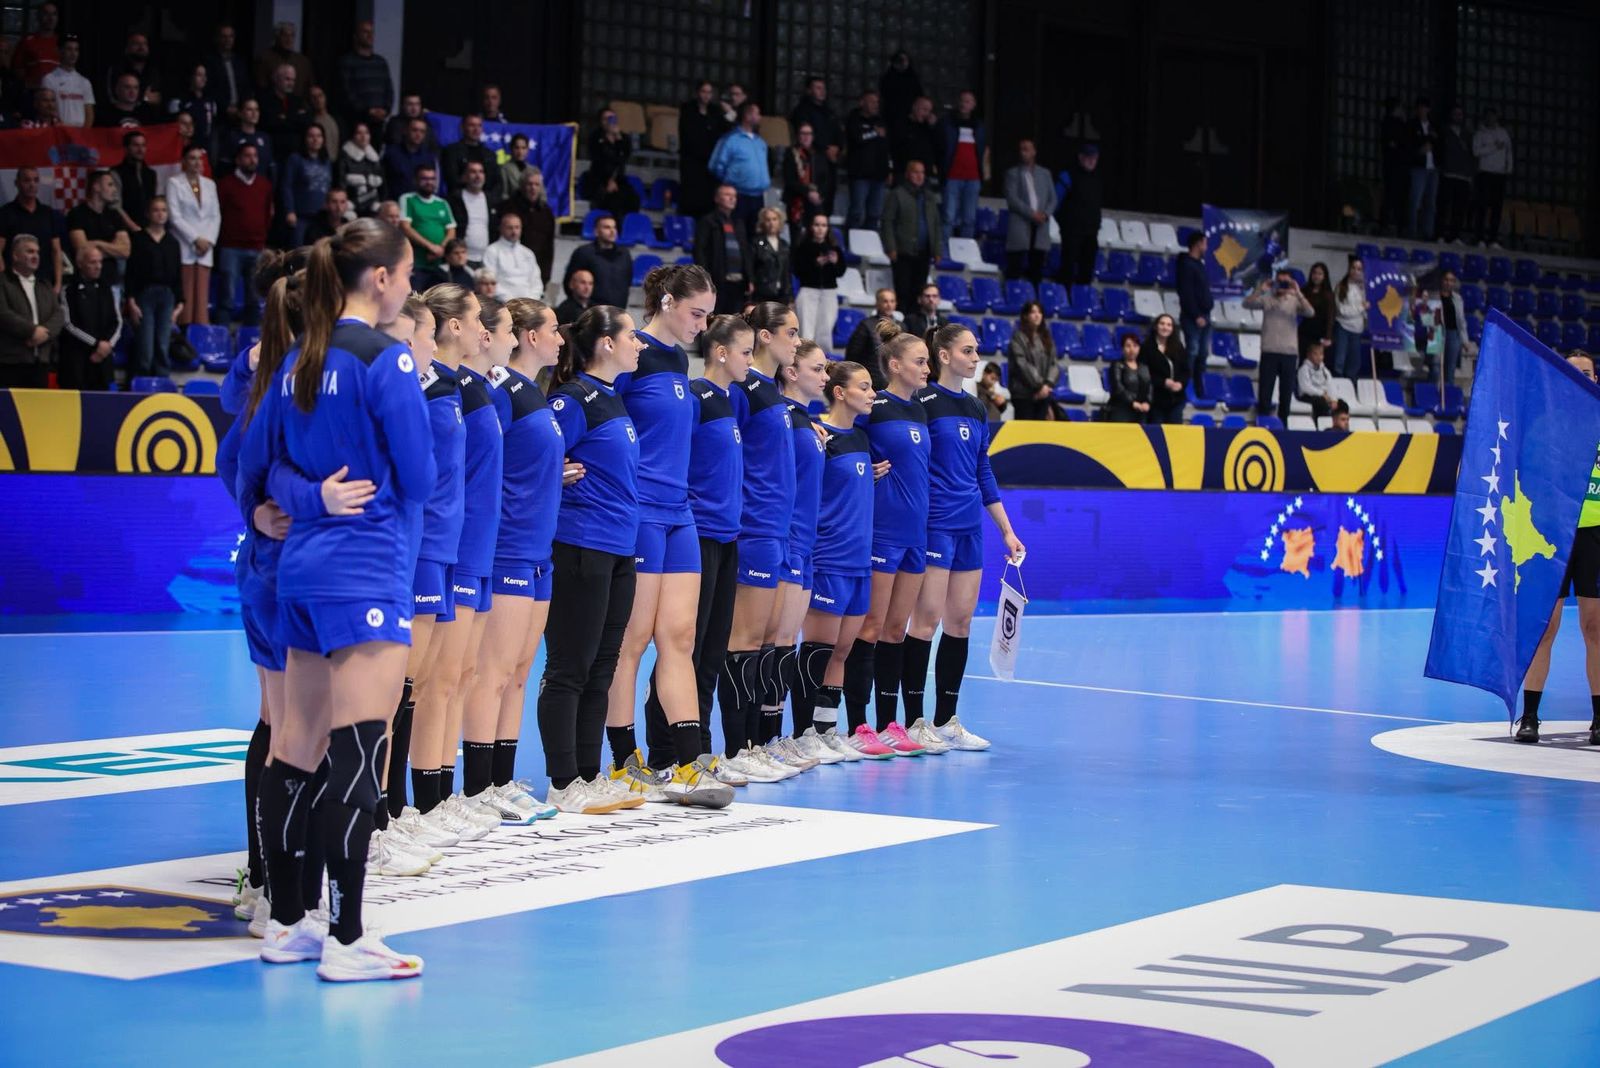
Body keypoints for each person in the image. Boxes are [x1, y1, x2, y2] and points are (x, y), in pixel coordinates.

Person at [238, 217, 431, 981]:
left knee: (295, 745)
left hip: (301, 573)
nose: (409, 287)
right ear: (379, 278)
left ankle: (287, 922)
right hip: (368, 570)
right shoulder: (387, 359)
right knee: (358, 751)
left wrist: (306, 498)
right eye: (407, 273)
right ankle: (347, 939)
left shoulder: (295, 361)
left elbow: (260, 470)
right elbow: (419, 476)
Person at [607, 266, 735, 804]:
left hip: (680, 514)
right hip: (639, 512)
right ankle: (624, 762)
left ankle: (686, 762)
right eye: (696, 313)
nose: (702, 326)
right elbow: (597, 414)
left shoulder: (680, 361)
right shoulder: (631, 354)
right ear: (666, 301)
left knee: (680, 639)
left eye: (708, 316)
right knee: (631, 641)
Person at [537, 305, 658, 813]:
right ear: (606, 343)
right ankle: (563, 780)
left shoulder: (612, 397)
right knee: (571, 665)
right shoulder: (572, 400)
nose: (640, 344)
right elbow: (535, 458)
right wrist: (553, 474)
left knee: (603, 666)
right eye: (632, 335)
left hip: (619, 550)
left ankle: (588, 774)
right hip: (581, 545)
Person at [465, 297, 574, 819]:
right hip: (507, 548)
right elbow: (485, 463)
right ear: (529, 336)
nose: (561, 339)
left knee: (517, 672)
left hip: (538, 550)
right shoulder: (501, 390)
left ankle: (501, 782)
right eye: (553, 329)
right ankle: (477, 788)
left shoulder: (535, 394)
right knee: (492, 672)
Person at [640, 315, 753, 777]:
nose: (750, 361)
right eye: (745, 352)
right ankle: (665, 751)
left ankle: (700, 748)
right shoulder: (697, 397)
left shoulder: (732, 400)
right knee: (684, 645)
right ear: (721, 353)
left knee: (710, 653)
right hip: (697, 533)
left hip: (727, 536)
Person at [904, 323, 1024, 751]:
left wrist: (1006, 530)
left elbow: (982, 470)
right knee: (925, 622)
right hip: (934, 526)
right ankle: (913, 722)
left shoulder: (975, 407)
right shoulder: (922, 401)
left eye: (976, 351)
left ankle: (946, 721)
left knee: (959, 622)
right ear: (944, 355)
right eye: (968, 351)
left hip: (969, 528)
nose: (976, 358)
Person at [716, 302, 812, 778]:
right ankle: (738, 750)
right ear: (765, 336)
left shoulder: (772, 393)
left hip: (777, 529)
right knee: (744, 641)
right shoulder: (744, 389)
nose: (798, 341)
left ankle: (756, 742)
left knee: (767, 642)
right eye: (791, 332)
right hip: (753, 528)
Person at [843, 322, 933, 756]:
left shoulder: (919, 411)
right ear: (894, 365)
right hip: (883, 532)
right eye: (920, 361)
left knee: (896, 630)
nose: (927, 368)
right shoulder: (874, 406)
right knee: (871, 627)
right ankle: (857, 725)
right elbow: (838, 430)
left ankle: (888, 723)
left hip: (916, 534)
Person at [1517, 350, 1600, 746]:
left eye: (1586, 372)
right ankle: (1530, 716)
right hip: (1551, 535)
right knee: (1544, 626)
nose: (1580, 377)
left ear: (1596, 379)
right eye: (1572, 372)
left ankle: (1599, 719)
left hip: (1595, 535)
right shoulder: (1545, 424)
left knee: (1595, 627)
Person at [777, 341, 854, 763]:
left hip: (805, 544)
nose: (825, 377)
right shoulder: (783, 419)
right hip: (785, 541)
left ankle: (798, 732)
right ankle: (760, 740)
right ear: (791, 372)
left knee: (786, 644)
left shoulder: (806, 424)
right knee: (771, 644)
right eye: (818, 369)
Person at [801, 359, 880, 755]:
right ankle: (803, 733)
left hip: (859, 561)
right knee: (819, 650)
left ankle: (826, 731)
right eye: (864, 387)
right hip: (829, 558)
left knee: (843, 651)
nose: (872, 394)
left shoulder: (861, 438)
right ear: (839, 392)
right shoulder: (819, 435)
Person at [123, 197, 183, 378]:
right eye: (156, 210)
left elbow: (177, 275)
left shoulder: (172, 242)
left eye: (164, 210)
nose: (160, 214)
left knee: (163, 344)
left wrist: (179, 305)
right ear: (148, 214)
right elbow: (131, 272)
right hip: (145, 295)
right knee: (146, 346)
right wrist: (131, 301)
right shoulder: (139, 239)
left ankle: (162, 383)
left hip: (167, 296)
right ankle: (142, 383)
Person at [215, 144, 273, 326]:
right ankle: (223, 335)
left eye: (255, 156)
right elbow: (217, 214)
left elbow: (267, 215)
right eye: (247, 156)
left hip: (256, 247)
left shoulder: (264, 185)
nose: (252, 159)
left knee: (255, 300)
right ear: (238, 160)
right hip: (231, 247)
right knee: (227, 298)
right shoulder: (225, 185)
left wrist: (261, 238)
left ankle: (251, 338)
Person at [1244, 269, 1312, 422]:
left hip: (1289, 354)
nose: (1282, 285)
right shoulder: (1267, 298)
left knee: (1286, 395)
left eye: (1285, 282)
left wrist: (1298, 292)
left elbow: (1310, 312)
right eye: (1279, 281)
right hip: (1269, 352)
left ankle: (1283, 426)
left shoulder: (1294, 300)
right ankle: (1263, 424)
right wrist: (1260, 290)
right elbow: (1246, 303)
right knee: (1265, 394)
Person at [166, 146, 221, 326]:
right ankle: (183, 334)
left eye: (199, 158)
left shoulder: (210, 184)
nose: (197, 162)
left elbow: (215, 216)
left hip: (205, 249)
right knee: (186, 298)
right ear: (184, 161)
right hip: (185, 246)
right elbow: (174, 217)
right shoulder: (174, 183)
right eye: (192, 158)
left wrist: (208, 241)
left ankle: (200, 336)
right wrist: (196, 239)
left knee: (202, 299)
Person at [0, 235, 62, 388]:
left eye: (37, 252)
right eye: (30, 251)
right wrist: (32, 331)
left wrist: (45, 333)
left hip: (41, 362)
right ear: (15, 255)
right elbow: (3, 313)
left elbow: (58, 315)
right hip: (10, 361)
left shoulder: (45, 285)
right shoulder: (3, 282)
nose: (35, 256)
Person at [880, 159, 941, 315]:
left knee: (919, 293)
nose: (920, 176)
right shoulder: (897, 194)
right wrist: (891, 247)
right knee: (903, 291)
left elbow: (935, 224)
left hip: (924, 252)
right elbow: (887, 222)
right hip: (902, 252)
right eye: (915, 172)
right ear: (908, 174)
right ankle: (901, 324)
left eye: (922, 172)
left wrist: (937, 250)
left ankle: (914, 325)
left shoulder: (929, 197)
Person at [56, 245, 120, 390]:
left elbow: (117, 321)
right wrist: (96, 344)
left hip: (102, 362)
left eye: (100, 262)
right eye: (93, 262)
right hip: (76, 362)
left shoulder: (107, 289)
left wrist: (107, 345)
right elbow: (69, 324)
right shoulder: (69, 290)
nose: (98, 266)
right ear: (80, 263)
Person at [708, 102, 770, 235]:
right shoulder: (730, 139)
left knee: (757, 235)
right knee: (736, 232)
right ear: (747, 115)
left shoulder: (761, 142)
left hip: (758, 197)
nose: (760, 117)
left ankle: (757, 250)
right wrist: (731, 183)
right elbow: (716, 166)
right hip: (738, 196)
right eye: (757, 114)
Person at [0, 167, 65, 292]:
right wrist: (4, 283)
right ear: (17, 183)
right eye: (27, 180)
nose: (32, 185)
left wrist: (57, 284)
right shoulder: (5, 214)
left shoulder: (47, 213)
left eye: (35, 180)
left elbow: (56, 251)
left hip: (45, 282)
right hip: (15, 284)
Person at [1002, 138, 1057, 284]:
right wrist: (1032, 214)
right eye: (1021, 149)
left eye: (1026, 149)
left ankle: (1035, 294)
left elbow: (1053, 199)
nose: (1023, 153)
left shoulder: (1045, 174)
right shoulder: (1012, 173)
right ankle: (1012, 292)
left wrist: (1045, 214)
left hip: (1040, 225)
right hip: (1021, 223)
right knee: (1015, 265)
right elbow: (1013, 199)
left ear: (1034, 152)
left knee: (1037, 266)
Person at [65, 171, 131, 289]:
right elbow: (83, 252)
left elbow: (125, 251)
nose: (114, 189)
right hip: (85, 284)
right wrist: (113, 249)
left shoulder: (114, 215)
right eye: (110, 185)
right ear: (96, 187)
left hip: (112, 282)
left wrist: (96, 243)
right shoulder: (77, 214)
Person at [692, 188, 752, 315]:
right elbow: (700, 250)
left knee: (735, 318)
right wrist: (705, 277)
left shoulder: (738, 223)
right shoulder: (708, 221)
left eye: (734, 196)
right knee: (716, 317)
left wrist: (750, 278)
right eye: (727, 194)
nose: (732, 198)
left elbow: (745, 252)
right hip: (717, 280)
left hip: (739, 282)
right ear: (717, 198)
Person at [678, 81, 730, 221]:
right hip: (692, 162)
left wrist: (729, 112)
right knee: (691, 196)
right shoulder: (688, 109)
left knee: (708, 198)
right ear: (697, 93)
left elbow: (727, 127)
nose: (706, 95)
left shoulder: (715, 111)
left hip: (710, 163)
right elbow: (687, 135)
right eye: (703, 91)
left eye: (709, 92)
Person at [940, 90, 987, 242]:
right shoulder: (948, 123)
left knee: (969, 218)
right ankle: (945, 250)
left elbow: (983, 152)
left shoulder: (979, 126)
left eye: (967, 101)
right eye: (962, 100)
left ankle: (965, 250)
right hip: (952, 176)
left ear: (973, 105)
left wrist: (983, 174)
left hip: (973, 178)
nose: (963, 104)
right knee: (948, 216)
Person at [1055, 143, 1103, 285]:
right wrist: (1066, 223)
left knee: (1087, 270)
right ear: (1080, 157)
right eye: (1088, 157)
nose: (1092, 160)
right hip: (1072, 232)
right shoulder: (1068, 175)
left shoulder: (1097, 178)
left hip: (1091, 232)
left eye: (1094, 157)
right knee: (1068, 268)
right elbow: (1055, 201)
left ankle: (1083, 296)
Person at [499, 167, 556, 286]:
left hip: (536, 272)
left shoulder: (546, 212)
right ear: (522, 185)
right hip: (509, 270)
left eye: (536, 184)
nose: (533, 188)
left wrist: (545, 277)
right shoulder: (508, 208)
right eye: (529, 184)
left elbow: (548, 248)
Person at [793, 213, 843, 346]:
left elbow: (840, 272)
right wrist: (815, 264)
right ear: (811, 227)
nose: (820, 228)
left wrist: (835, 263)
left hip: (829, 292)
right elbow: (798, 271)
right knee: (806, 330)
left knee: (826, 331)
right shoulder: (803, 247)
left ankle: (823, 357)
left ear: (828, 228)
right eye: (817, 225)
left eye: (824, 225)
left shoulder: (834, 248)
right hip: (808, 290)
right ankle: (804, 356)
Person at [563, 214, 631, 310]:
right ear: (596, 231)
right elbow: (570, 283)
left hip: (618, 311)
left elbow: (627, 282)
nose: (612, 231)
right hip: (591, 312)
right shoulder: (583, 253)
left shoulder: (624, 254)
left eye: (614, 227)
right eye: (607, 227)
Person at [845, 90, 891, 230]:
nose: (875, 105)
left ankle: (869, 241)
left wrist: (889, 169)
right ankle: (851, 239)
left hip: (879, 176)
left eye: (877, 102)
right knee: (857, 212)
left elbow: (886, 149)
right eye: (871, 101)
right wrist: (874, 133)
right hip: (860, 174)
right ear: (862, 103)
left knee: (875, 214)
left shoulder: (881, 121)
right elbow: (857, 139)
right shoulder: (854, 119)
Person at [336, 20, 392, 134]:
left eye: (372, 32)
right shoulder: (347, 62)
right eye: (365, 32)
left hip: (378, 121)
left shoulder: (381, 62)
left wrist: (386, 109)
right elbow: (347, 92)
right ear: (356, 36)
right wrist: (367, 111)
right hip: (355, 122)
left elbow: (388, 89)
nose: (370, 35)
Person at [280, 124, 331, 247]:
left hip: (321, 216)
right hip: (300, 215)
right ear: (305, 139)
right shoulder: (295, 159)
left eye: (319, 136)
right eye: (311, 136)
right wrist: (289, 210)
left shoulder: (326, 161)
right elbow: (286, 186)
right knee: (298, 251)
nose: (315, 139)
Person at [1006, 300, 1058, 420]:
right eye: (1033, 312)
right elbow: (1022, 364)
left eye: (1039, 312)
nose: (1037, 315)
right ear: (1025, 316)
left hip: (1043, 394)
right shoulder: (1018, 338)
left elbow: (1054, 364)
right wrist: (1040, 385)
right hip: (1023, 395)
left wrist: (1047, 384)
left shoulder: (1046, 338)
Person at [782, 122, 833, 237]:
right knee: (797, 238)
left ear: (813, 136)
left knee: (815, 237)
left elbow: (826, 179)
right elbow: (789, 180)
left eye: (809, 133)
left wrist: (820, 195)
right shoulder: (791, 153)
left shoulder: (819, 155)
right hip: (796, 201)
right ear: (798, 136)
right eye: (803, 133)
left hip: (815, 202)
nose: (806, 136)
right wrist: (808, 193)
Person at [585, 109, 638, 218]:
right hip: (599, 178)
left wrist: (618, 139)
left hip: (618, 179)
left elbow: (624, 157)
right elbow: (598, 159)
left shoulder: (623, 138)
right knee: (613, 199)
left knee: (632, 198)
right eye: (606, 119)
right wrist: (607, 182)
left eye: (612, 118)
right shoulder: (595, 137)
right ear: (601, 122)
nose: (610, 122)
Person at [398, 164, 453, 269]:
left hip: (440, 261)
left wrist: (441, 248)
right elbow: (405, 227)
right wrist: (431, 247)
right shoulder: (407, 199)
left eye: (432, 179)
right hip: (417, 261)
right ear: (415, 180)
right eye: (424, 179)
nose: (429, 182)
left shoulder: (442, 203)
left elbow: (451, 230)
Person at [447, 161, 499, 266]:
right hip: (462, 258)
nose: (478, 176)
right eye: (473, 172)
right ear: (465, 176)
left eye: (481, 172)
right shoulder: (455, 199)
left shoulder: (492, 199)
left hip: (487, 258)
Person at [1472, 108, 1512, 247]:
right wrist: (1494, 147)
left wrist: (1509, 167)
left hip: (1499, 175)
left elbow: (1508, 151)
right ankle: (1480, 238)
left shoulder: (1503, 133)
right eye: (1489, 116)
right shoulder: (1480, 134)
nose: (1491, 119)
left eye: (1493, 116)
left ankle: (1493, 239)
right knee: (1482, 206)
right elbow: (1476, 151)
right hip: (1485, 173)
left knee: (1497, 207)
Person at [1140, 313, 1189, 425]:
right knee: (1157, 432)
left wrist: (1180, 383)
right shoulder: (1147, 347)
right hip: (1156, 399)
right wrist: (1163, 382)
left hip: (1176, 399)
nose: (1165, 327)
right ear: (1156, 326)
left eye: (1169, 325)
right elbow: (1144, 373)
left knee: (1175, 432)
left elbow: (1186, 370)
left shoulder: (1178, 346)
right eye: (1162, 324)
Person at [259, 64, 310, 168]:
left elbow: (305, 122)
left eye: (293, 80)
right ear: (276, 79)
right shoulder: (265, 99)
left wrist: (285, 118)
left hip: (296, 154)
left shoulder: (297, 100)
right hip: (275, 154)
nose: (291, 83)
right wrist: (294, 119)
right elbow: (270, 123)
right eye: (287, 79)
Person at [845, 287, 897, 389]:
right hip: (872, 383)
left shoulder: (902, 326)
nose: (889, 305)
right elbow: (852, 355)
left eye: (892, 301)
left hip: (895, 382)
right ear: (877, 303)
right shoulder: (866, 325)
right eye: (885, 301)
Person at [441, 113, 503, 199]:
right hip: (459, 200)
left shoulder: (490, 154)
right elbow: (451, 179)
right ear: (463, 128)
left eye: (479, 126)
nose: (476, 129)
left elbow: (498, 183)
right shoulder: (451, 152)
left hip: (486, 200)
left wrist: (487, 198)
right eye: (472, 125)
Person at [1438, 105, 1476, 244]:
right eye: (1455, 114)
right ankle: (1440, 234)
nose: (1458, 117)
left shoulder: (1468, 135)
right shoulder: (1445, 132)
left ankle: (1455, 236)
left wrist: (1470, 175)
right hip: (1448, 174)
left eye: (1460, 114)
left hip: (1464, 176)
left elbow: (1473, 155)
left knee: (1459, 209)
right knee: (1444, 207)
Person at [483, 213, 542, 301]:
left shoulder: (528, 253)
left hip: (529, 304)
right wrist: (512, 302)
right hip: (502, 303)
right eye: (510, 228)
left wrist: (531, 301)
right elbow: (490, 281)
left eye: (517, 227)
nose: (514, 231)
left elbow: (536, 281)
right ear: (501, 228)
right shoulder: (492, 251)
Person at [112, 130, 160, 235]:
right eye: (136, 145)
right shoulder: (116, 173)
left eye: (143, 145)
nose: (140, 149)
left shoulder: (151, 174)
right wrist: (133, 227)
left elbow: (154, 202)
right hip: (124, 230)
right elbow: (115, 205)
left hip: (148, 229)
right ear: (126, 148)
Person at [202, 24, 251, 124]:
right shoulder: (210, 61)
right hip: (218, 114)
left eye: (231, 36)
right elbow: (209, 88)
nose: (228, 40)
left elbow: (246, 86)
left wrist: (244, 107)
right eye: (224, 36)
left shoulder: (240, 62)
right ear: (218, 39)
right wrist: (226, 107)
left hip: (239, 114)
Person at [41, 33, 91, 127]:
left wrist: (84, 132)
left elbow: (89, 112)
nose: (73, 54)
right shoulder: (49, 79)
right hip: (58, 130)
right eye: (69, 49)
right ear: (60, 51)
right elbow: (47, 109)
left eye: (76, 50)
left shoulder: (85, 82)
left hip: (80, 132)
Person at [789, 76, 842, 164]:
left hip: (831, 156)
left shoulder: (829, 112)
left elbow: (838, 132)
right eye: (818, 88)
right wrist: (825, 149)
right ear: (809, 91)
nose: (822, 91)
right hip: (812, 156)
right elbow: (804, 134)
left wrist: (837, 147)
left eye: (824, 88)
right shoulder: (801, 111)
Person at [335, 122, 385, 216]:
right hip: (352, 205)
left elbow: (382, 185)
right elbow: (341, 183)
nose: (363, 136)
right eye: (359, 133)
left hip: (372, 205)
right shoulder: (344, 157)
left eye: (366, 133)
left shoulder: (374, 157)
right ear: (353, 136)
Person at [892, 97, 943, 187]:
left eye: (929, 111)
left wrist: (934, 127)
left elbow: (939, 146)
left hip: (925, 173)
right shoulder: (901, 124)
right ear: (914, 107)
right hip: (905, 172)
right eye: (924, 109)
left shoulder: (929, 127)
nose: (926, 114)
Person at [1427, 269, 1465, 386]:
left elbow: (1461, 320)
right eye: (1446, 280)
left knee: (1450, 369)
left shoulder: (1458, 299)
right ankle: (1432, 392)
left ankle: (1448, 394)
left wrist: (1465, 341)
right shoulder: (1433, 297)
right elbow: (1428, 317)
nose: (1449, 283)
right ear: (1442, 281)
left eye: (1451, 280)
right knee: (1435, 367)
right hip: (1436, 334)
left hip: (1453, 335)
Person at [1331, 257, 1367, 380]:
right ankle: (1338, 384)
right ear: (1349, 269)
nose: (1356, 271)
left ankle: (1351, 385)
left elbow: (1367, 311)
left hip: (1357, 329)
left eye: (1359, 269)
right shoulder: (1341, 286)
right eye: (1353, 268)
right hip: (1343, 327)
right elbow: (1342, 311)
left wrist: (1364, 310)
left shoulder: (1364, 288)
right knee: (1339, 360)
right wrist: (1361, 307)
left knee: (1354, 363)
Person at [1407, 97, 1438, 240]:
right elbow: (1408, 145)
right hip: (1418, 167)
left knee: (1430, 202)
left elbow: (1440, 143)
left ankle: (1428, 232)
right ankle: (1412, 231)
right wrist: (1419, 151)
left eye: (1424, 108)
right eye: (1420, 108)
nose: (1422, 111)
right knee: (1415, 201)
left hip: (1433, 168)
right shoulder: (1412, 125)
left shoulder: (1434, 126)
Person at [383, 117, 438, 199]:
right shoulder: (391, 153)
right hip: (395, 201)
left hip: (421, 202)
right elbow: (384, 181)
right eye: (414, 130)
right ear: (405, 131)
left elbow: (432, 183)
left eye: (422, 132)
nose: (418, 134)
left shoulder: (429, 157)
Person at [253, 22, 312, 96]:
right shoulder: (264, 58)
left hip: (298, 101)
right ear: (277, 37)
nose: (289, 39)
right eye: (285, 35)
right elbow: (260, 86)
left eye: (292, 36)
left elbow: (310, 86)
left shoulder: (303, 61)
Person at [1105, 332, 1153, 422]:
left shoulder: (1144, 367)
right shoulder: (1117, 365)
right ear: (1123, 348)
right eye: (1128, 346)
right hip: (1121, 410)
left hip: (1141, 411)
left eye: (1135, 346)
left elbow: (1149, 386)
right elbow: (1117, 387)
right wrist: (1132, 402)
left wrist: (1147, 402)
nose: (1132, 349)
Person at [220, 99, 273, 178]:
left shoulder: (265, 138)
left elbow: (270, 167)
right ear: (240, 113)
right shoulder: (232, 137)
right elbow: (225, 167)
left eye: (256, 110)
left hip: (261, 183)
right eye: (249, 109)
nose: (254, 113)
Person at [104, 31, 160, 107]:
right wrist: (144, 99)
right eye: (136, 44)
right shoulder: (117, 69)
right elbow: (112, 98)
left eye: (144, 44)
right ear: (127, 49)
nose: (141, 47)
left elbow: (158, 97)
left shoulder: (154, 71)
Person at [169, 65, 217, 153]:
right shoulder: (179, 101)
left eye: (205, 75)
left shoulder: (210, 101)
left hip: (205, 148)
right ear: (191, 77)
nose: (203, 79)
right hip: (184, 148)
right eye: (199, 75)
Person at [13, 1, 60, 89]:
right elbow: (17, 70)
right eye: (46, 14)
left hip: (58, 93)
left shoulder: (62, 43)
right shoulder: (27, 42)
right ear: (38, 16)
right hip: (34, 93)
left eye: (54, 14)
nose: (51, 18)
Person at [750, 207, 791, 305]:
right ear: (763, 222)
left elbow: (786, 271)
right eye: (768, 220)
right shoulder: (756, 243)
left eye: (774, 219)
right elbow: (751, 267)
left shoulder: (784, 245)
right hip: (762, 292)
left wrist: (789, 294)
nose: (771, 223)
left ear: (779, 221)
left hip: (782, 293)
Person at [1380, 97, 1409, 235]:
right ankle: (1389, 224)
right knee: (1392, 195)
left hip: (1397, 165)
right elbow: (1394, 144)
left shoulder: (1396, 124)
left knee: (1396, 195)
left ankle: (1394, 224)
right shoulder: (1390, 123)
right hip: (1394, 165)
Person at [879, 52, 924, 135]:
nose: (903, 63)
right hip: (892, 116)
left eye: (905, 60)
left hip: (911, 116)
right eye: (900, 60)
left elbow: (919, 95)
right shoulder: (888, 78)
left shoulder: (913, 78)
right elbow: (885, 96)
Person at [1298, 261, 1334, 357]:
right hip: (1304, 331)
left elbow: (1330, 316)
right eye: (1314, 273)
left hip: (1320, 333)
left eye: (1320, 274)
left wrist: (1328, 336)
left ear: (1324, 276)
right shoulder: (1304, 291)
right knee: (1303, 358)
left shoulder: (1328, 294)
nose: (1316, 276)